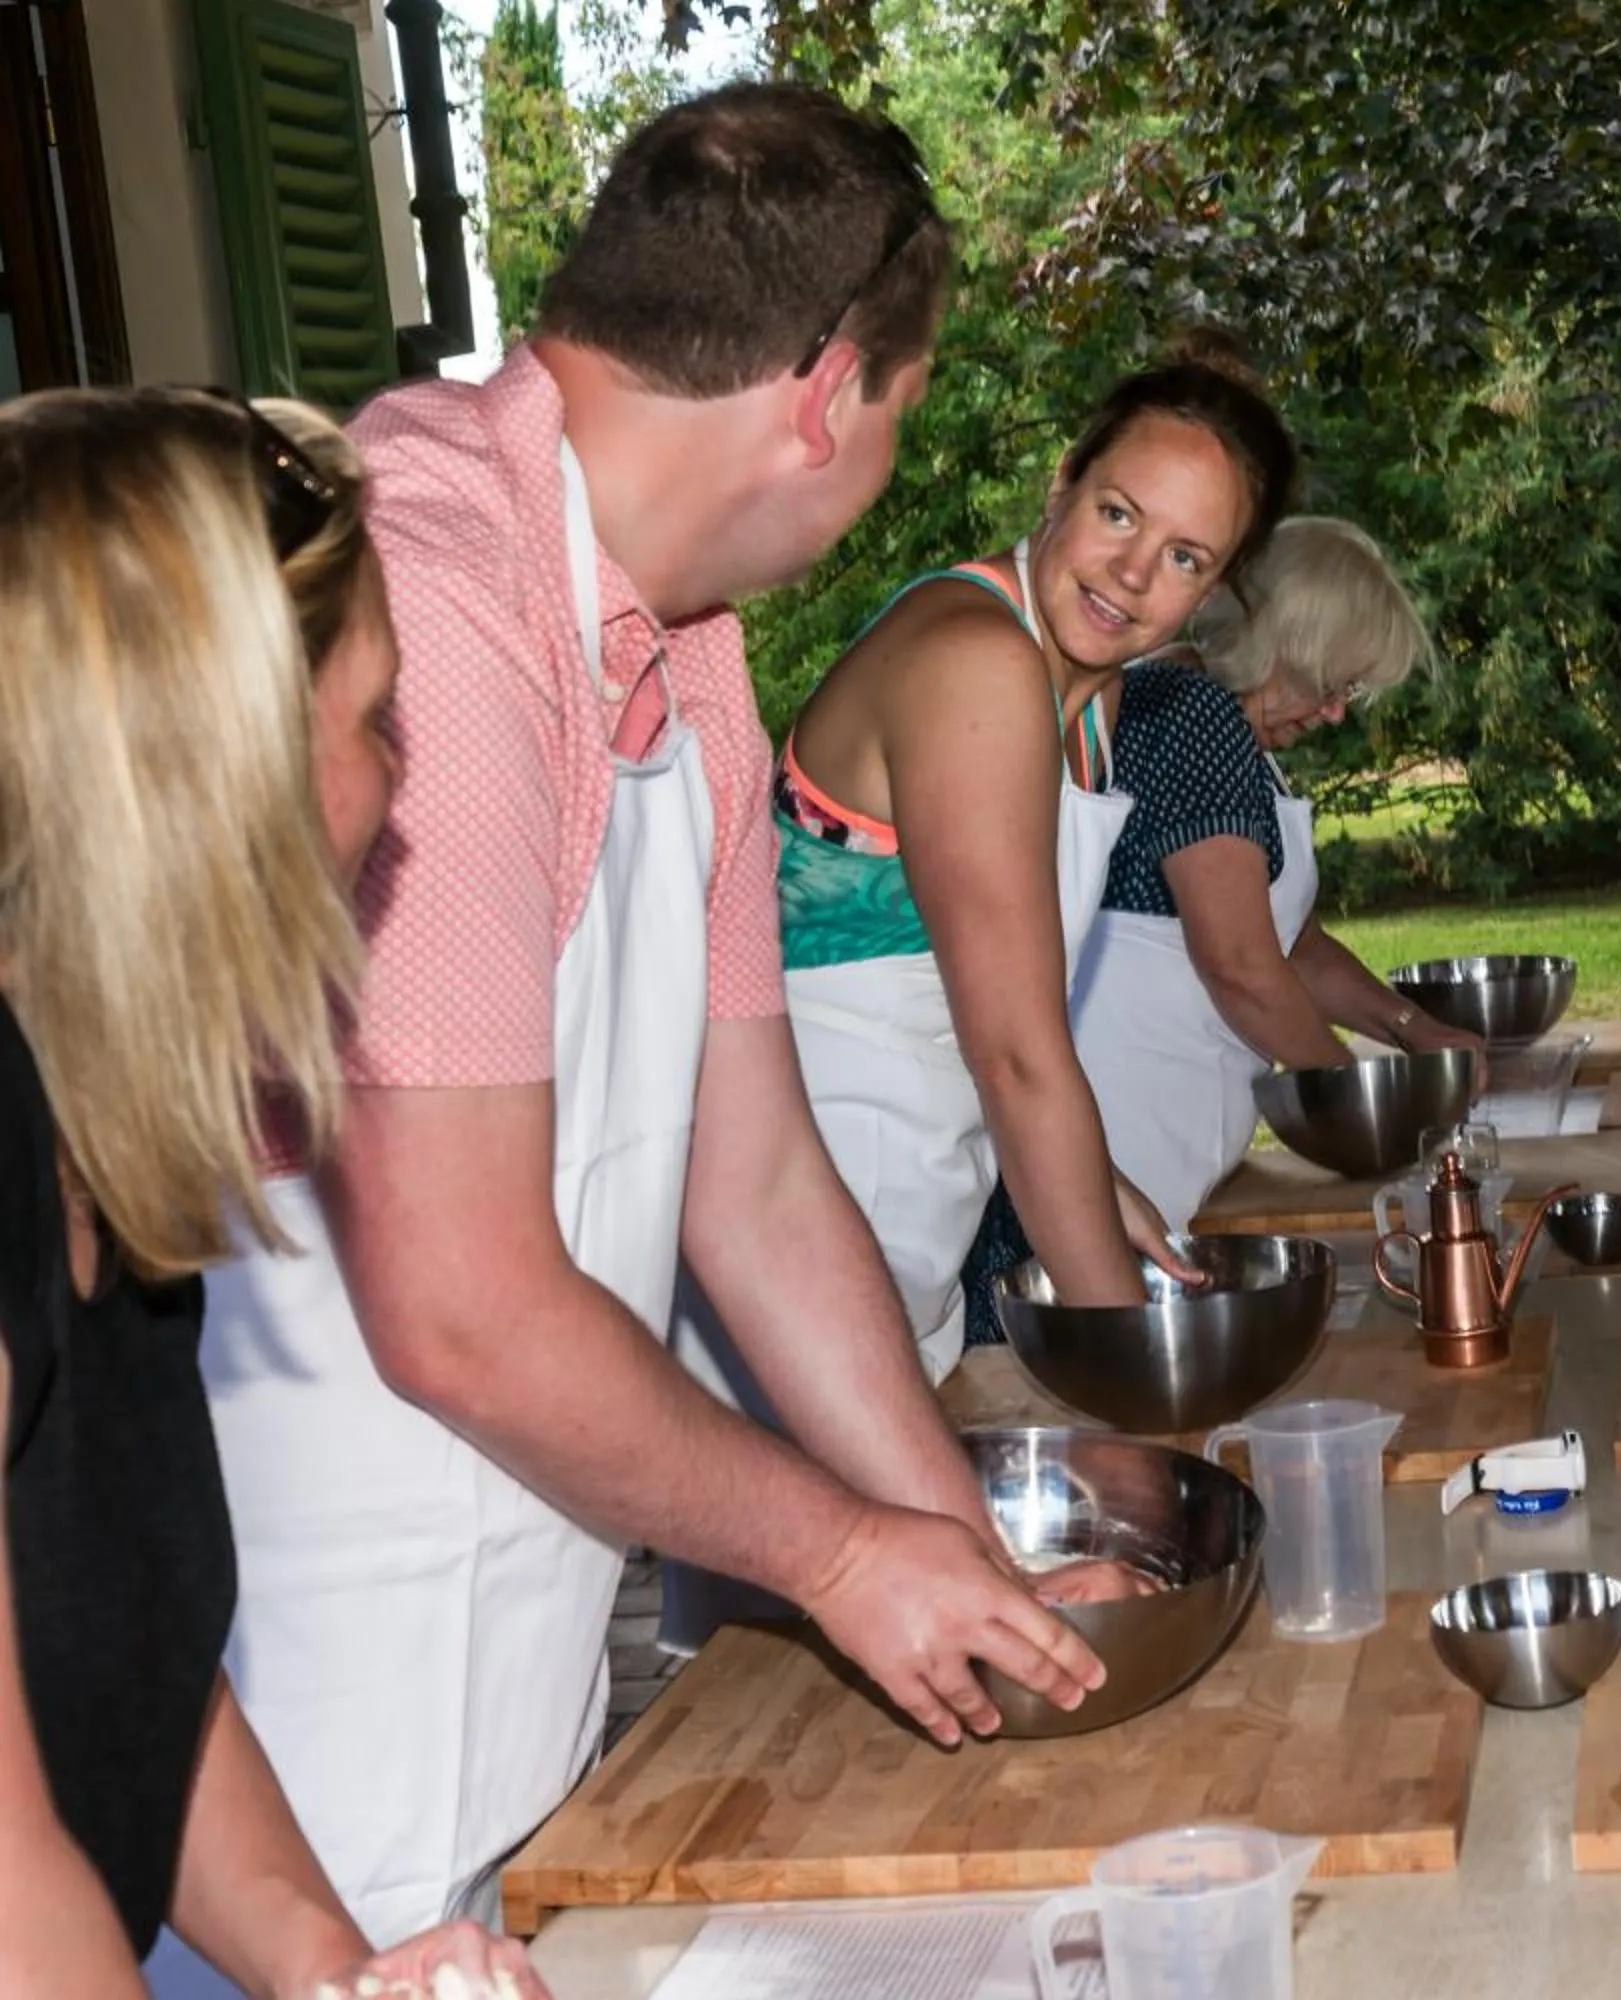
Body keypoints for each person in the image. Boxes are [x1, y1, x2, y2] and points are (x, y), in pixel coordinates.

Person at [188, 82, 1112, 1970]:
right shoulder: (433, 597)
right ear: (828, 388)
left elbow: (753, 1184)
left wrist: (970, 1561)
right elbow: (456, 1307)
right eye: (906, 412)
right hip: (290, 1698)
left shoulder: (682, 631)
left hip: (516, 1683)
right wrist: (849, 1561)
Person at [1, 390, 542, 1995]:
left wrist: (340, 1970)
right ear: (206, 767)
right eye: (376, 721)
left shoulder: (100, 1139)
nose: (394, 788)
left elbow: (132, 1677)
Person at [760, 356, 1296, 1384]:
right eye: (1118, 513)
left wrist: (1099, 1187)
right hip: (817, 1211)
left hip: (902, 1211)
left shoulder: (1089, 693)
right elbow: (1013, 1056)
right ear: (1060, 486)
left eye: (1186, 555)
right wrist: (1140, 1374)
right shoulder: (979, 657)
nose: (1133, 574)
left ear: (1215, 589)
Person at [1042, 515, 1470, 1246]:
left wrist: (1416, 1032)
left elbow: (1293, 946)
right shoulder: (1191, 718)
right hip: (1130, 1143)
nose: (1334, 712)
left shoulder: (1217, 719)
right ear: (1280, 643)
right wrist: (1359, 1105)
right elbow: (1240, 966)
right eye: (1329, 683)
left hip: (1172, 1154)